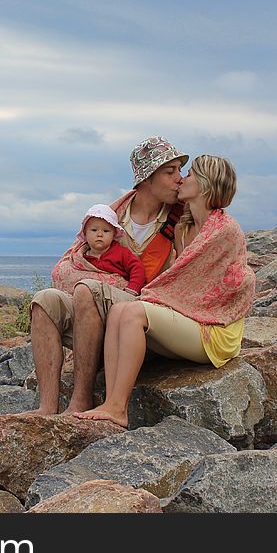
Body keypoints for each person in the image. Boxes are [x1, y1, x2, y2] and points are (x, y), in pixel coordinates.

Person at [75, 155, 255, 428]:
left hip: (215, 331)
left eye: (191, 174)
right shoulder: (183, 228)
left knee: (134, 312)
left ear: (206, 185)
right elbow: (183, 281)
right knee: (119, 310)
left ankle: (118, 408)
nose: (183, 178)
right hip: (188, 321)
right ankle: (110, 402)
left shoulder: (224, 230)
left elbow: (223, 286)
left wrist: (156, 298)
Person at [26, 136, 189, 415]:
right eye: (170, 171)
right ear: (147, 178)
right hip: (97, 302)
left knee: (88, 289)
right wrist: (113, 282)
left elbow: (185, 275)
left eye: (180, 170)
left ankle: (81, 400)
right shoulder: (110, 216)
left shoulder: (182, 218)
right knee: (44, 301)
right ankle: (47, 407)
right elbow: (65, 268)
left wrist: (107, 284)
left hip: (141, 314)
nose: (180, 179)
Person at [79, 204, 146, 295]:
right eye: (94, 230)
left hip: (117, 296)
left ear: (113, 234)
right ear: (85, 233)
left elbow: (138, 268)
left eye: (106, 231)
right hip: (90, 296)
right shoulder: (81, 257)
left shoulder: (121, 253)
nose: (99, 234)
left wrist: (133, 288)